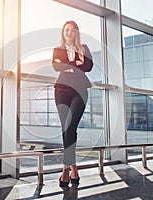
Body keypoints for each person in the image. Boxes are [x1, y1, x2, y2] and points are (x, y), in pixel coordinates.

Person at [52, 20, 93, 187]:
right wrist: (76, 63)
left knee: (70, 127)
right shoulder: (57, 49)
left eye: (72, 30)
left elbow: (89, 66)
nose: (69, 33)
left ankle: (65, 169)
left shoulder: (84, 48)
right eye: (66, 30)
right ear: (63, 32)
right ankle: (73, 167)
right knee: (67, 128)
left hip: (80, 90)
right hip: (61, 89)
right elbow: (56, 66)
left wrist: (69, 64)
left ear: (76, 32)